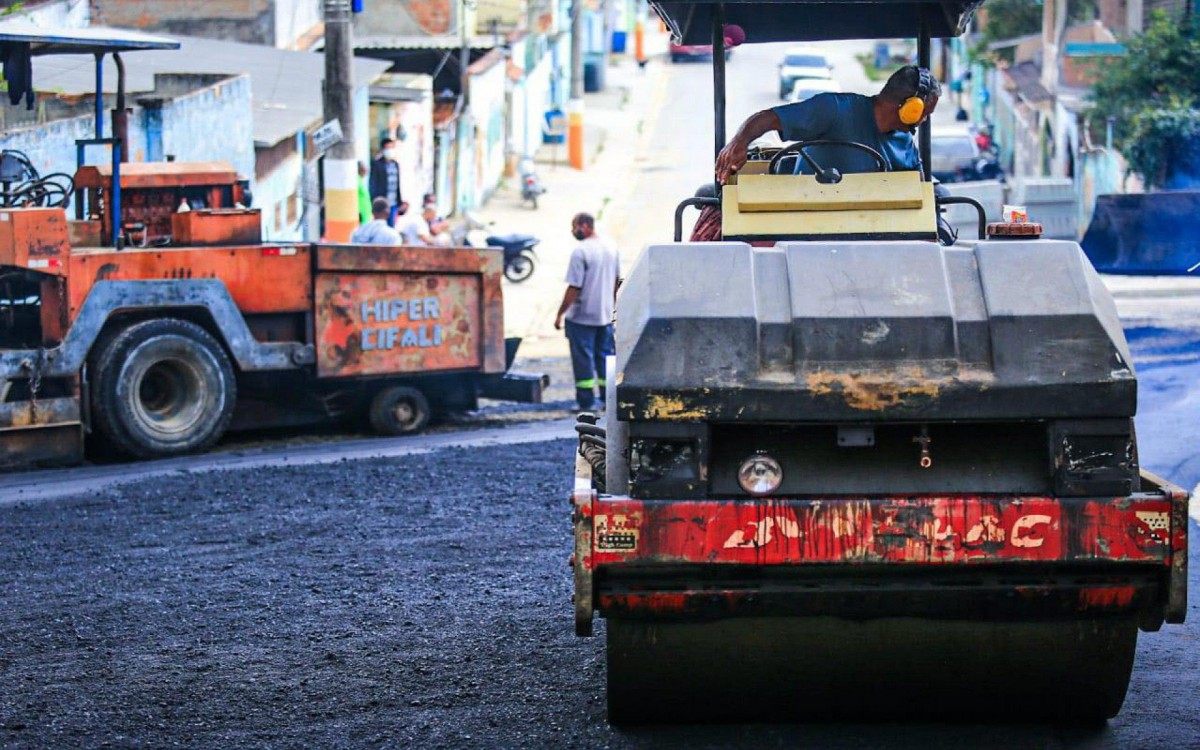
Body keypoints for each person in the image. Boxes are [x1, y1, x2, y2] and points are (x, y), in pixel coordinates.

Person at [714, 64, 941, 184]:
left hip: (873, 231)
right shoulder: (834, 109)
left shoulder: (904, 143)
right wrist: (739, 142)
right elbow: (768, 118)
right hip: (803, 218)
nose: (923, 120)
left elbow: (917, 186)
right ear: (910, 107)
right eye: (924, 113)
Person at [554, 213, 620, 411]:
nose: (573, 231)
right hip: (605, 316)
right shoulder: (611, 247)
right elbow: (617, 282)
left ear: (584, 226)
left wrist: (560, 313)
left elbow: (574, 287)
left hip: (581, 317)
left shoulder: (580, 251)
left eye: (574, 227)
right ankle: (608, 401)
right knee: (606, 359)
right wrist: (613, 308)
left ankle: (586, 402)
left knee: (583, 360)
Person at [369, 137, 403, 226]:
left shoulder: (395, 164)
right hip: (382, 202)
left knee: (392, 225)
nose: (390, 150)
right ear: (383, 149)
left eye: (392, 148)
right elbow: (373, 184)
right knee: (381, 225)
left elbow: (397, 185)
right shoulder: (377, 164)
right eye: (388, 148)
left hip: (394, 203)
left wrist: (400, 201)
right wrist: (374, 201)